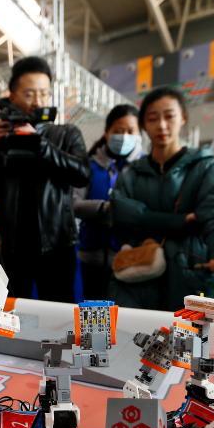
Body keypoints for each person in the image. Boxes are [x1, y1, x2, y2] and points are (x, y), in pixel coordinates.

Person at [110, 86, 214, 310]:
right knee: (137, 340)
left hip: (191, 275)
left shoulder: (205, 167)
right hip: (138, 280)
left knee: (190, 342)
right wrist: (178, 221)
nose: (161, 125)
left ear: (183, 118)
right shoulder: (131, 174)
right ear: (143, 126)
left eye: (169, 116)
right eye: (152, 118)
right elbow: (122, 215)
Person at [0, 56, 89, 302]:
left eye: (44, 94)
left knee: (60, 320)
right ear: (13, 96)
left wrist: (41, 145)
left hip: (57, 246)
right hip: (12, 250)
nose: (38, 102)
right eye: (29, 94)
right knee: (13, 317)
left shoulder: (66, 133)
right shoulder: (0, 140)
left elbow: (82, 174)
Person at [74, 104, 141, 300]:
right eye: (118, 131)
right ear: (106, 133)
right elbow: (73, 204)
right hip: (92, 256)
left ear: (139, 134)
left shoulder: (143, 167)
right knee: (94, 317)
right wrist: (104, 208)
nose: (124, 136)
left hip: (131, 259)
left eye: (130, 131)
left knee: (126, 317)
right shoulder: (90, 164)